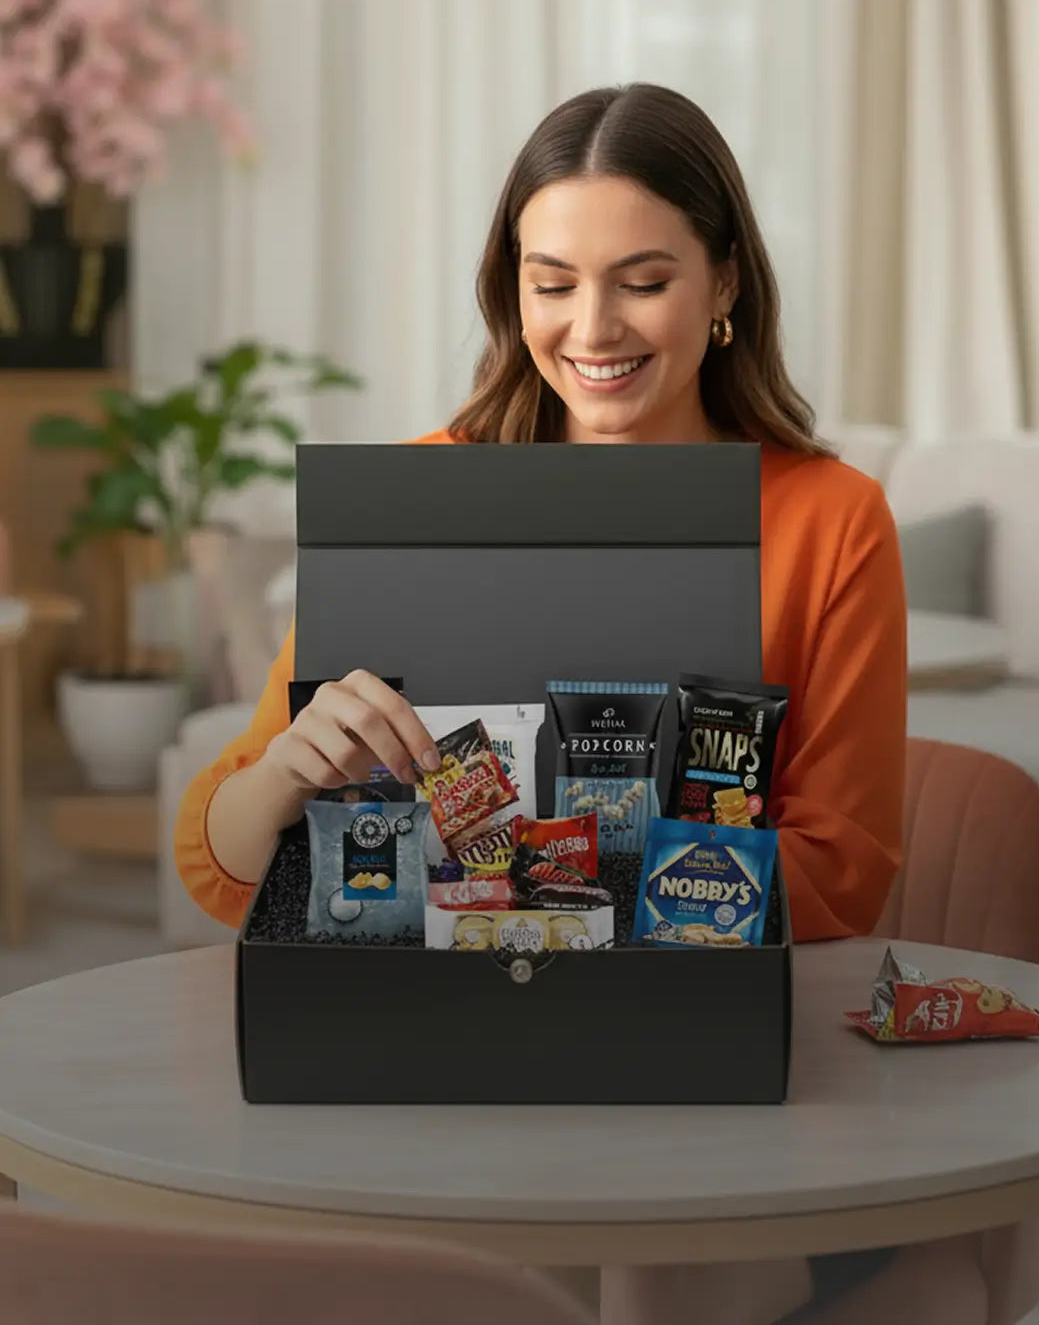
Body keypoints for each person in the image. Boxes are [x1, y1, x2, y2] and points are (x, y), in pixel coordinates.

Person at [175, 84, 970, 1324]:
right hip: (449, 1059)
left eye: (642, 278)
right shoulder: (415, 498)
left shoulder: (829, 520)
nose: (591, 325)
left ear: (724, 287)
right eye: (552, 281)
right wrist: (287, 771)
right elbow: (224, 869)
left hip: (700, 1057)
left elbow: (844, 867)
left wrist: (531, 876)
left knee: (651, 1285)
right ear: (513, 292)